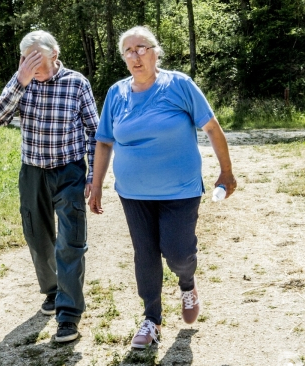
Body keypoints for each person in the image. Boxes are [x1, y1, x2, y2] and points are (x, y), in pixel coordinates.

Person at [88, 26, 237, 349]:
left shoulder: (179, 85)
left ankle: (187, 284)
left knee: (179, 253)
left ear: (157, 51)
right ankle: (151, 319)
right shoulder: (116, 93)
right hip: (133, 192)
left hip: (179, 190)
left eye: (141, 48)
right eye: (128, 51)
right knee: (145, 254)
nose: (135, 56)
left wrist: (226, 171)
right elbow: (103, 142)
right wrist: (96, 183)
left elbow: (212, 127)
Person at [0, 30, 99, 343]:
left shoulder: (76, 83)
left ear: (55, 53)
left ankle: (68, 316)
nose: (32, 63)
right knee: (38, 239)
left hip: (69, 171)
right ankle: (53, 291)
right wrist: (19, 82)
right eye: (27, 58)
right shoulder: (20, 82)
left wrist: (93, 175)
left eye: (38, 56)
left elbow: (94, 131)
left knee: (70, 243)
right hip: (32, 172)